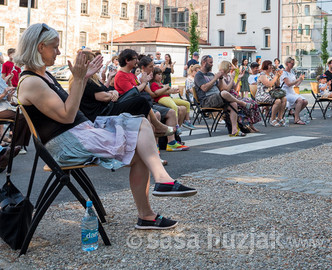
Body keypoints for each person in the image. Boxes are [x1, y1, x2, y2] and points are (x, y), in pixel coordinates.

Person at [14, 23, 196, 230]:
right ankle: (151, 206)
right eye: (55, 47)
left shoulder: (42, 75)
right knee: (141, 149)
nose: (59, 51)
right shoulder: (31, 82)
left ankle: (157, 192)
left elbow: (72, 103)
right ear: (40, 48)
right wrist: (81, 78)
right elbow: (67, 115)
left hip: (80, 133)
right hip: (69, 143)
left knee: (142, 125)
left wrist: (82, 79)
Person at [193, 55, 248, 137]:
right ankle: (241, 102)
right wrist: (215, 78)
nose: (212, 64)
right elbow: (204, 88)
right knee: (224, 93)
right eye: (210, 62)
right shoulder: (199, 75)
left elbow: (221, 88)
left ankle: (234, 130)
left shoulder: (211, 74)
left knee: (233, 104)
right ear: (204, 63)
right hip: (207, 100)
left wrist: (221, 78)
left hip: (218, 98)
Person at [218, 60, 260, 133]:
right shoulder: (222, 78)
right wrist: (232, 78)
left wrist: (238, 79)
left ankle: (251, 124)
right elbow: (227, 89)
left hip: (235, 95)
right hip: (229, 97)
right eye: (229, 66)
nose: (231, 68)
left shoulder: (228, 76)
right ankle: (246, 125)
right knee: (246, 106)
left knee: (253, 103)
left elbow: (234, 88)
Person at [256, 61, 286, 127]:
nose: (271, 66)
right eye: (269, 65)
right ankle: (272, 119)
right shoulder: (262, 75)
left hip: (271, 94)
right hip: (262, 95)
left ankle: (279, 117)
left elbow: (277, 85)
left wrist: (278, 77)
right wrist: (276, 76)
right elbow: (269, 84)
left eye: (271, 65)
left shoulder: (271, 74)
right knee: (277, 101)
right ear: (266, 66)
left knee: (284, 99)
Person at [281, 57, 308, 126]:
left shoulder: (292, 72)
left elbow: (295, 85)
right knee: (300, 100)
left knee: (305, 101)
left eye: (294, 63)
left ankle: (295, 113)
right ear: (287, 63)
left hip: (292, 92)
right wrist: (298, 79)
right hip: (285, 93)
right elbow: (289, 84)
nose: (293, 65)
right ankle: (296, 119)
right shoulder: (284, 73)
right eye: (292, 63)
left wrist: (301, 80)